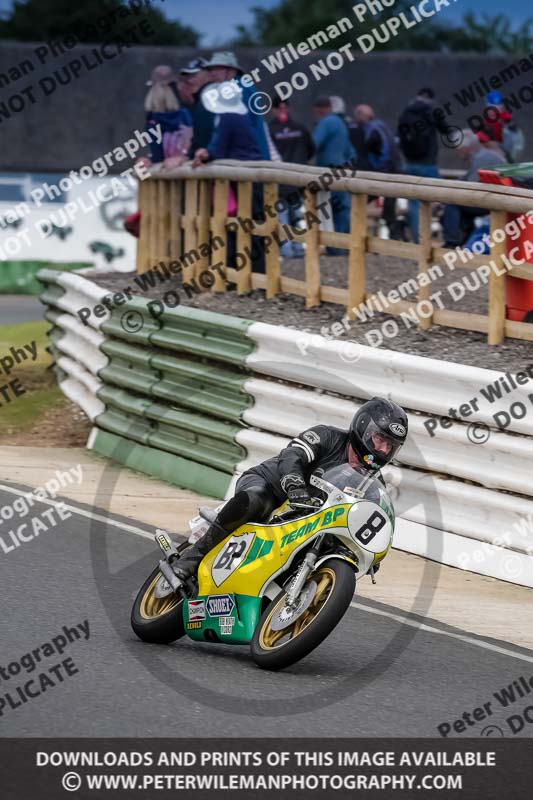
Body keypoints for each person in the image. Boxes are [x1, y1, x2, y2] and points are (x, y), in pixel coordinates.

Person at [174, 398, 408, 582]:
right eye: (380, 439)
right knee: (257, 499)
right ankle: (193, 558)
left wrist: (370, 550)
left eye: (391, 446)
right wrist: (294, 484)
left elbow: (370, 516)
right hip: (272, 488)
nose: (383, 449)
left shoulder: (372, 483)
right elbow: (292, 455)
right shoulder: (327, 436)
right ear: (364, 427)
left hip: (303, 520)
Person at [192, 83, 266, 273]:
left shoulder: (227, 118)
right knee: (250, 227)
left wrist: (204, 155)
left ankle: (241, 273)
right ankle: (251, 274)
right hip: (248, 176)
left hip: (244, 179)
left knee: (242, 227)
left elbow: (219, 149)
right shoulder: (238, 116)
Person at [202, 51, 275, 161]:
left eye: (218, 69)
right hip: (251, 157)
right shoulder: (241, 86)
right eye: (211, 70)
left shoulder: (236, 89)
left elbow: (228, 127)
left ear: (232, 71)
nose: (213, 73)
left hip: (245, 159)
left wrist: (210, 152)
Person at [398, 88, 448, 242]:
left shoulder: (406, 112)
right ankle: (448, 237)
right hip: (428, 164)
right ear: (431, 98)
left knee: (414, 203)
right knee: (445, 197)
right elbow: (446, 130)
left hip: (409, 164)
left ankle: (418, 240)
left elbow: (399, 136)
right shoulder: (432, 111)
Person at [442, 128, 507, 248]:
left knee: (452, 203)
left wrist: (447, 193)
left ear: (468, 147)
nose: (458, 152)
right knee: (462, 206)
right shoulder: (482, 155)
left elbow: (470, 185)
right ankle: (462, 241)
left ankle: (451, 242)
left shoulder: (483, 158)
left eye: (459, 148)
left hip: (496, 200)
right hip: (493, 197)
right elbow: (465, 180)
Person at [269, 98, 315, 258]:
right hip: (298, 180)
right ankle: (298, 249)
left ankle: (287, 251)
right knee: (297, 217)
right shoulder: (300, 128)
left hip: (279, 181)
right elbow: (311, 150)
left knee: (282, 218)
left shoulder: (269, 130)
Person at [312, 96, 356, 254]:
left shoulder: (326, 122)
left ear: (320, 109)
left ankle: (335, 248)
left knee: (329, 211)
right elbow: (351, 151)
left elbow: (314, 143)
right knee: (344, 209)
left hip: (328, 172)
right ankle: (348, 246)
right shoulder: (340, 123)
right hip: (343, 171)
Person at [353, 104, 401, 237]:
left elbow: (378, 150)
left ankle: (356, 236)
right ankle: (398, 238)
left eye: (357, 116)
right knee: (389, 210)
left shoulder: (371, 129)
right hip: (393, 171)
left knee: (359, 202)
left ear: (362, 115)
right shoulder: (382, 125)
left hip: (383, 172)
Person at [144, 66, 192, 167]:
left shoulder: (153, 122)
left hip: (168, 169)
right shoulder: (186, 114)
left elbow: (157, 156)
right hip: (187, 164)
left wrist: (148, 159)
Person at [179, 57, 216, 155]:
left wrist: (190, 155)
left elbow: (203, 138)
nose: (189, 79)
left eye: (194, 74)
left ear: (209, 74)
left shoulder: (208, 99)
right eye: (187, 76)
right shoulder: (198, 100)